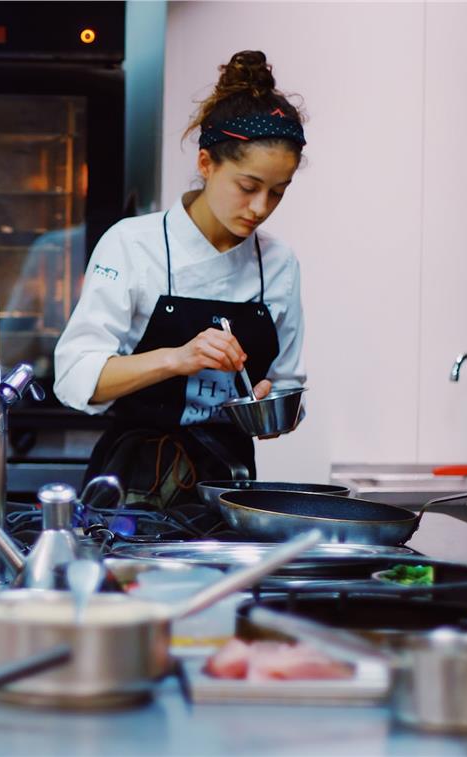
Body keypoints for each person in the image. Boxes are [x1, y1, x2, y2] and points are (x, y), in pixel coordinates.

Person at [54, 50, 307, 508]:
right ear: (206, 163)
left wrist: (271, 406)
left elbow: (287, 384)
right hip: (131, 488)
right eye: (248, 187)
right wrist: (176, 358)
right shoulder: (133, 245)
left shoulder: (279, 263)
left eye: (278, 192)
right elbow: (75, 379)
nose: (260, 208)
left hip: (229, 488)